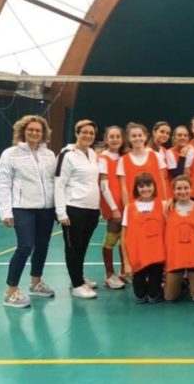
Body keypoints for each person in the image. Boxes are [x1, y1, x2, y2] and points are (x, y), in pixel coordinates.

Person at [0, 115, 57, 308]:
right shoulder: (10, 154)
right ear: (23, 131)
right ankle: (11, 292)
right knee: (25, 246)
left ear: (43, 133)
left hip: (46, 209)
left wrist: (57, 207)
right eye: (31, 129)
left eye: (38, 130)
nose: (34, 133)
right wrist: (5, 212)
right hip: (22, 208)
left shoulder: (49, 155)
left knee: (42, 245)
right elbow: (3, 183)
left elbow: (54, 181)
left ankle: (35, 283)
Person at [55, 119, 101, 299]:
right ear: (76, 133)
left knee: (82, 246)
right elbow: (59, 183)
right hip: (74, 208)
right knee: (73, 248)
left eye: (91, 133)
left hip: (92, 209)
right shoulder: (67, 154)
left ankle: (78, 277)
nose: (88, 135)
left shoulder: (92, 154)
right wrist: (61, 212)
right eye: (85, 132)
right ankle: (76, 285)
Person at [121, 172, 167, 303]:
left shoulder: (163, 205)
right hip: (137, 257)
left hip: (156, 258)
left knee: (153, 297)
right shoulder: (129, 208)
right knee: (140, 298)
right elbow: (123, 237)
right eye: (141, 186)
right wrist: (126, 263)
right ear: (136, 189)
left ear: (154, 186)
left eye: (148, 185)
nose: (145, 189)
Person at [164, 176, 194, 302]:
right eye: (178, 188)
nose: (183, 191)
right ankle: (182, 283)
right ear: (173, 190)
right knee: (170, 297)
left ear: (191, 189)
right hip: (176, 256)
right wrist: (170, 200)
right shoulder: (166, 207)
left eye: (186, 188)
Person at [98, 126, 128, 289]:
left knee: (124, 238)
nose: (115, 139)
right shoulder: (103, 158)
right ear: (106, 139)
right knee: (111, 237)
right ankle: (109, 274)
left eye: (118, 136)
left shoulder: (124, 157)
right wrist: (114, 208)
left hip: (125, 203)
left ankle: (124, 272)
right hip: (113, 204)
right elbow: (104, 186)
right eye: (112, 136)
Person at [118, 123, 168, 204]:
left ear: (145, 137)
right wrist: (127, 208)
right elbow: (124, 188)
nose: (137, 138)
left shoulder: (157, 156)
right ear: (129, 139)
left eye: (140, 135)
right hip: (134, 206)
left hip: (157, 204)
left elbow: (163, 182)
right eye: (134, 136)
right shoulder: (122, 160)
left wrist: (165, 202)